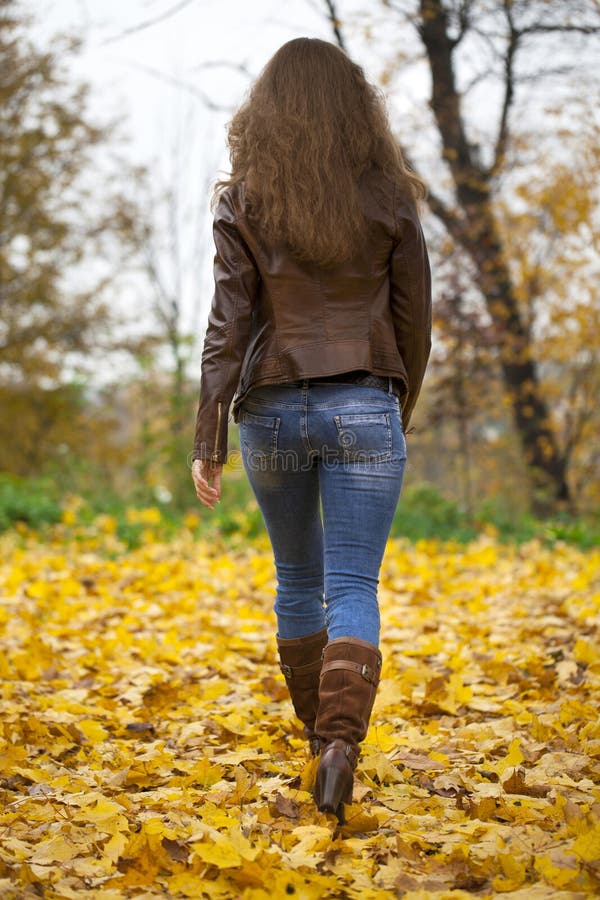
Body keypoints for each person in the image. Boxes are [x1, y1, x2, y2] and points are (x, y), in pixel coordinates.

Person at [191, 37, 431, 823]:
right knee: (353, 583)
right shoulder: (390, 195)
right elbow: (413, 320)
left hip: (271, 409)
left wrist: (208, 438)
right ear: (354, 109)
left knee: (297, 578)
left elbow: (228, 326)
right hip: (364, 401)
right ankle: (341, 745)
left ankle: (316, 737)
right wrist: (398, 406)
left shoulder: (245, 198)